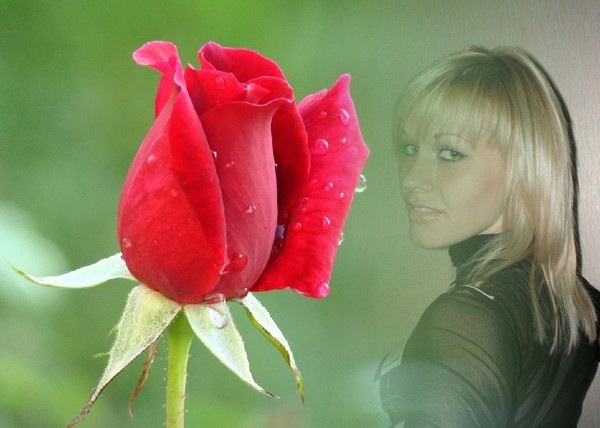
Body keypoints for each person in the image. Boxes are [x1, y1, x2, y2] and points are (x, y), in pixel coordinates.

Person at [378, 46, 600, 427]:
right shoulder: (571, 298)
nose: (412, 178)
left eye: (450, 153)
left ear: (522, 167)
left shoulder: (466, 319)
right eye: (409, 148)